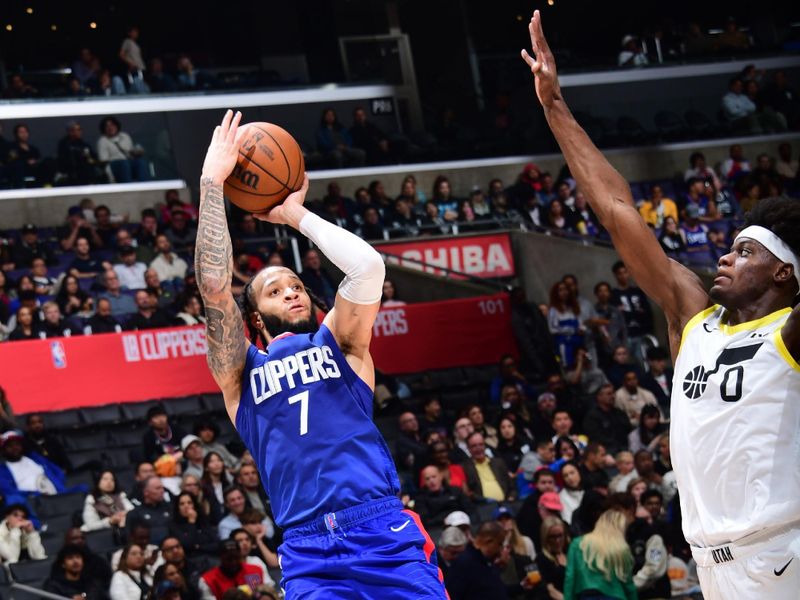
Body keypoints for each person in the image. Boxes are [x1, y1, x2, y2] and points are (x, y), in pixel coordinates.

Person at [526, 11, 800, 598]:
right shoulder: (693, 316)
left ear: (784, 272)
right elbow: (617, 209)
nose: (726, 257)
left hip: (783, 553)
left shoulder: (790, 331)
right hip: (712, 561)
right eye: (728, 248)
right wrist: (554, 106)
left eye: (745, 251)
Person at [195, 110, 446, 599]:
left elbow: (368, 267)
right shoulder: (242, 372)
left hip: (380, 532)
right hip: (308, 550)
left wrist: (295, 216)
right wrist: (211, 183)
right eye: (274, 290)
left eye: (295, 285)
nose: (290, 292)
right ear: (256, 320)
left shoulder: (341, 343)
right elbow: (213, 286)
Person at [445, 521, 536, 600]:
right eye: (500, 544)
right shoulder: (464, 563)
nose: (501, 550)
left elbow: (495, 590)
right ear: (489, 541)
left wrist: (521, 587)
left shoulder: (486, 562)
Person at [199, 539, 265, 599]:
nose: (233, 562)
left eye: (236, 558)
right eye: (229, 559)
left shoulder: (254, 571)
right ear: (220, 558)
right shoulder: (208, 580)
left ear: (240, 555)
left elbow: (262, 596)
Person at [45, 544, 110, 600]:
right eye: (70, 558)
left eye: (78, 557)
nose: (75, 561)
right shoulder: (54, 586)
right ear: (63, 564)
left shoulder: (92, 582)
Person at [97, 116, 149, 183]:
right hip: (115, 166)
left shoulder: (125, 136)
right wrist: (110, 178)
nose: (110, 128)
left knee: (140, 162)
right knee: (124, 163)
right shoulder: (102, 141)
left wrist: (137, 153)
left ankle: (144, 186)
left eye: (112, 125)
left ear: (116, 126)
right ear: (104, 129)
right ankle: (128, 186)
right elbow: (104, 163)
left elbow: (131, 152)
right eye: (107, 126)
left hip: (128, 163)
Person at [127, 477, 173, 545]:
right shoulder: (134, 514)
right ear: (146, 492)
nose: (162, 491)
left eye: (162, 488)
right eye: (157, 488)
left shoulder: (170, 508)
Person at [539, 517, 569, 599]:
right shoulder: (542, 559)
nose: (557, 540)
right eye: (553, 537)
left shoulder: (569, 552)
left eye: (560, 536)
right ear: (546, 538)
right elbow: (551, 590)